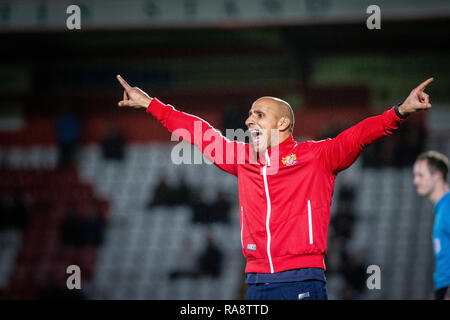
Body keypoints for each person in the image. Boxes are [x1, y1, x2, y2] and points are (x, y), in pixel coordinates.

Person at [116, 74, 433, 300]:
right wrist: (151, 105)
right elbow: (199, 132)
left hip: (302, 278)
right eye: (250, 114)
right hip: (255, 282)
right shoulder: (241, 158)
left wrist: (400, 111)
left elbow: (357, 135)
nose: (249, 120)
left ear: (282, 124)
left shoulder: (316, 156)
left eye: (259, 114)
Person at [413, 151, 450, 300]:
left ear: (437, 176)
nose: (415, 181)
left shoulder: (448, 207)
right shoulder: (442, 208)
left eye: (420, 175)